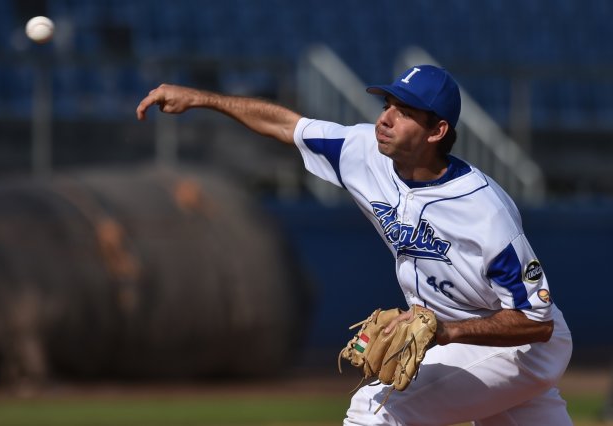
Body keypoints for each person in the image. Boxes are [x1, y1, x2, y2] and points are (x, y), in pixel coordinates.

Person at [136, 65, 573, 425]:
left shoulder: (485, 211)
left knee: (375, 410)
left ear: (437, 130)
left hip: (518, 346)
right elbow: (287, 126)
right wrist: (201, 98)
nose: (385, 118)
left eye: (404, 112)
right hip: (464, 338)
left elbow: (537, 321)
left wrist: (448, 331)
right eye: (387, 105)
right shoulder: (363, 150)